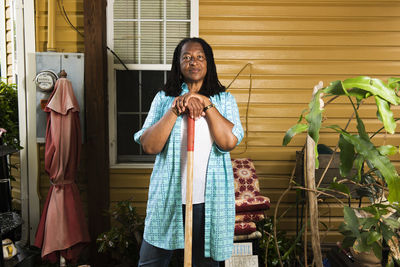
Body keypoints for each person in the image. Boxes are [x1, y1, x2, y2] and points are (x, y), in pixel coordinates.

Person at [134, 37, 244, 267]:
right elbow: (150, 146)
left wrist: (205, 103)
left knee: (204, 264)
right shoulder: (164, 99)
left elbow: (228, 142)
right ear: (179, 64)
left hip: (209, 201)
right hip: (168, 198)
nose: (193, 62)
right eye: (187, 57)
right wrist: (175, 108)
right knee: (151, 262)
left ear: (208, 63)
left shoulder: (224, 100)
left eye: (199, 57)